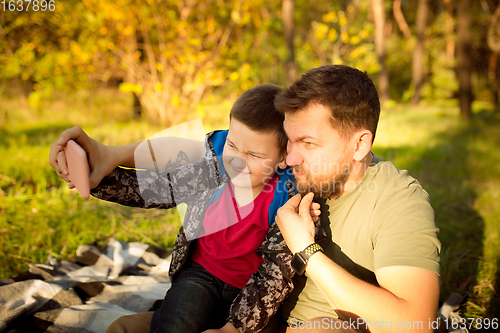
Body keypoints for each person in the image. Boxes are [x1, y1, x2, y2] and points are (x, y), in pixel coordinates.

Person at [49, 83, 323, 333]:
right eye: (232, 145)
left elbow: (274, 276)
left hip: (250, 290)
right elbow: (155, 187)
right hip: (201, 275)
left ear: (283, 157)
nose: (237, 162)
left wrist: (233, 329)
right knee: (175, 324)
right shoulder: (212, 170)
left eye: (254, 155)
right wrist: (92, 175)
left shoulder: (287, 199)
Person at [271, 65, 441, 332]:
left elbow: (415, 324)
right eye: (290, 140)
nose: (290, 158)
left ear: (360, 145)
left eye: (309, 143)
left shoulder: (398, 201)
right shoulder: (291, 174)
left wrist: (306, 252)